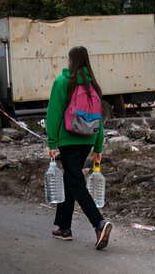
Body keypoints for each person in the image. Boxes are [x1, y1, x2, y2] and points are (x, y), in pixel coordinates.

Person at [46, 46, 112, 250]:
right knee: (70, 180)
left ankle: (99, 223)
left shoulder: (62, 82)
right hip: (87, 140)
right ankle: (64, 228)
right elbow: (98, 119)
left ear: (70, 61)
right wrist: (99, 145)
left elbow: (54, 113)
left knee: (76, 183)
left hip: (68, 139)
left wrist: (51, 142)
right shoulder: (92, 85)